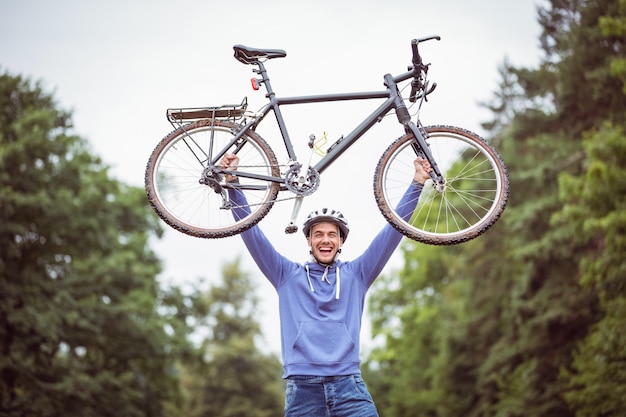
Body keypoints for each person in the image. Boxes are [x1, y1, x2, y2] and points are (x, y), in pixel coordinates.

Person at [220, 153, 431, 417]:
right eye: (318, 234)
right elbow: (251, 233)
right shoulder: (286, 274)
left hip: (349, 386)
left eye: (332, 234)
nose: (325, 240)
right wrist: (232, 181)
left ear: (341, 241)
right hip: (303, 389)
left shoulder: (358, 274)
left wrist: (418, 183)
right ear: (308, 240)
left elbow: (392, 232)